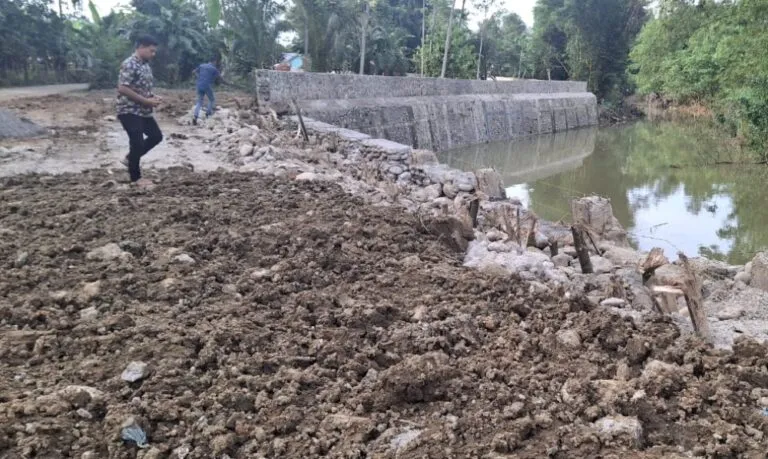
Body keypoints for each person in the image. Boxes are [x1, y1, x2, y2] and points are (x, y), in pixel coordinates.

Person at [116, 35, 163, 188]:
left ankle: (131, 158)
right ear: (141, 47)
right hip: (129, 110)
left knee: (156, 136)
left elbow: (140, 87)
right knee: (136, 142)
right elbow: (123, 88)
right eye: (151, 51)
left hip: (143, 110)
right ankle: (135, 178)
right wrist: (146, 101)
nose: (153, 54)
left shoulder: (145, 65)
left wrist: (151, 97)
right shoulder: (130, 64)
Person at [192, 58, 222, 125]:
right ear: (214, 61)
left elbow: (193, 72)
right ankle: (208, 114)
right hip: (207, 86)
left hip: (199, 85)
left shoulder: (202, 65)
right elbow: (220, 78)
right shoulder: (214, 69)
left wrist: (198, 77)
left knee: (199, 101)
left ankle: (195, 116)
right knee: (212, 99)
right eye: (216, 63)